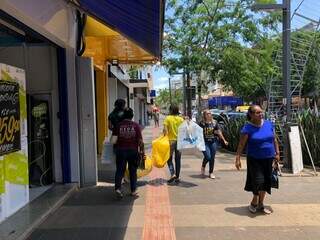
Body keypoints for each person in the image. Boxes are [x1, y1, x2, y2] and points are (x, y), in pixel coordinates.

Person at [235, 104, 280, 214]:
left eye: (261, 112)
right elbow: (241, 144)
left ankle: (261, 203)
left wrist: (277, 153)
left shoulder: (269, 124)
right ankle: (254, 201)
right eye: (257, 112)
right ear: (251, 114)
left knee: (266, 182)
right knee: (258, 181)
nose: (261, 114)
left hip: (269, 157)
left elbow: (274, 140)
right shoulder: (248, 128)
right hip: (254, 159)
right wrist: (238, 158)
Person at [111, 108, 144, 198]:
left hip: (121, 151)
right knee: (133, 171)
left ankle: (118, 188)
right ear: (132, 116)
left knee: (120, 170)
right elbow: (140, 141)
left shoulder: (118, 125)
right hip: (133, 151)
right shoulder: (136, 126)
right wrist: (141, 151)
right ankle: (133, 191)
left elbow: (113, 141)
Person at [199, 110, 228, 179]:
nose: (209, 114)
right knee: (208, 156)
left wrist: (224, 140)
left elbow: (219, 132)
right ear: (205, 115)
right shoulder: (202, 123)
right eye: (208, 113)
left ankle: (211, 172)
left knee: (212, 158)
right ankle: (203, 166)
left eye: (210, 113)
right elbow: (197, 131)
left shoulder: (214, 123)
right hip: (204, 142)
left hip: (213, 142)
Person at [163, 104, 184, 183]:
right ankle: (177, 177)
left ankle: (172, 174)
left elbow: (165, 131)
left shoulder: (167, 118)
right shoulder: (181, 119)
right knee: (178, 159)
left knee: (169, 159)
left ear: (171, 110)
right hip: (179, 141)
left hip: (170, 141)